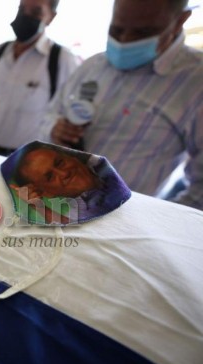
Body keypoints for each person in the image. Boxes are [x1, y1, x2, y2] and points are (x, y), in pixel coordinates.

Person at [41, 0, 203, 211]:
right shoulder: (92, 66)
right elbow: (49, 116)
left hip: (117, 221)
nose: (125, 41)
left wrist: (155, 223)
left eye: (142, 32)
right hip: (50, 202)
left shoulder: (195, 82)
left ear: (180, 21)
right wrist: (54, 129)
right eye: (116, 29)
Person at [0, 0, 79, 157]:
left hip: (26, 159)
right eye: (22, 9)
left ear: (51, 17)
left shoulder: (61, 60)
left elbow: (67, 115)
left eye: (36, 12)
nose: (25, 16)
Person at [3, 142, 131, 224]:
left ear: (70, 155)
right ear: (46, 192)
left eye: (60, 163)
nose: (64, 173)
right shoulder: (80, 209)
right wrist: (38, 206)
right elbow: (69, 227)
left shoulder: (97, 163)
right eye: (50, 177)